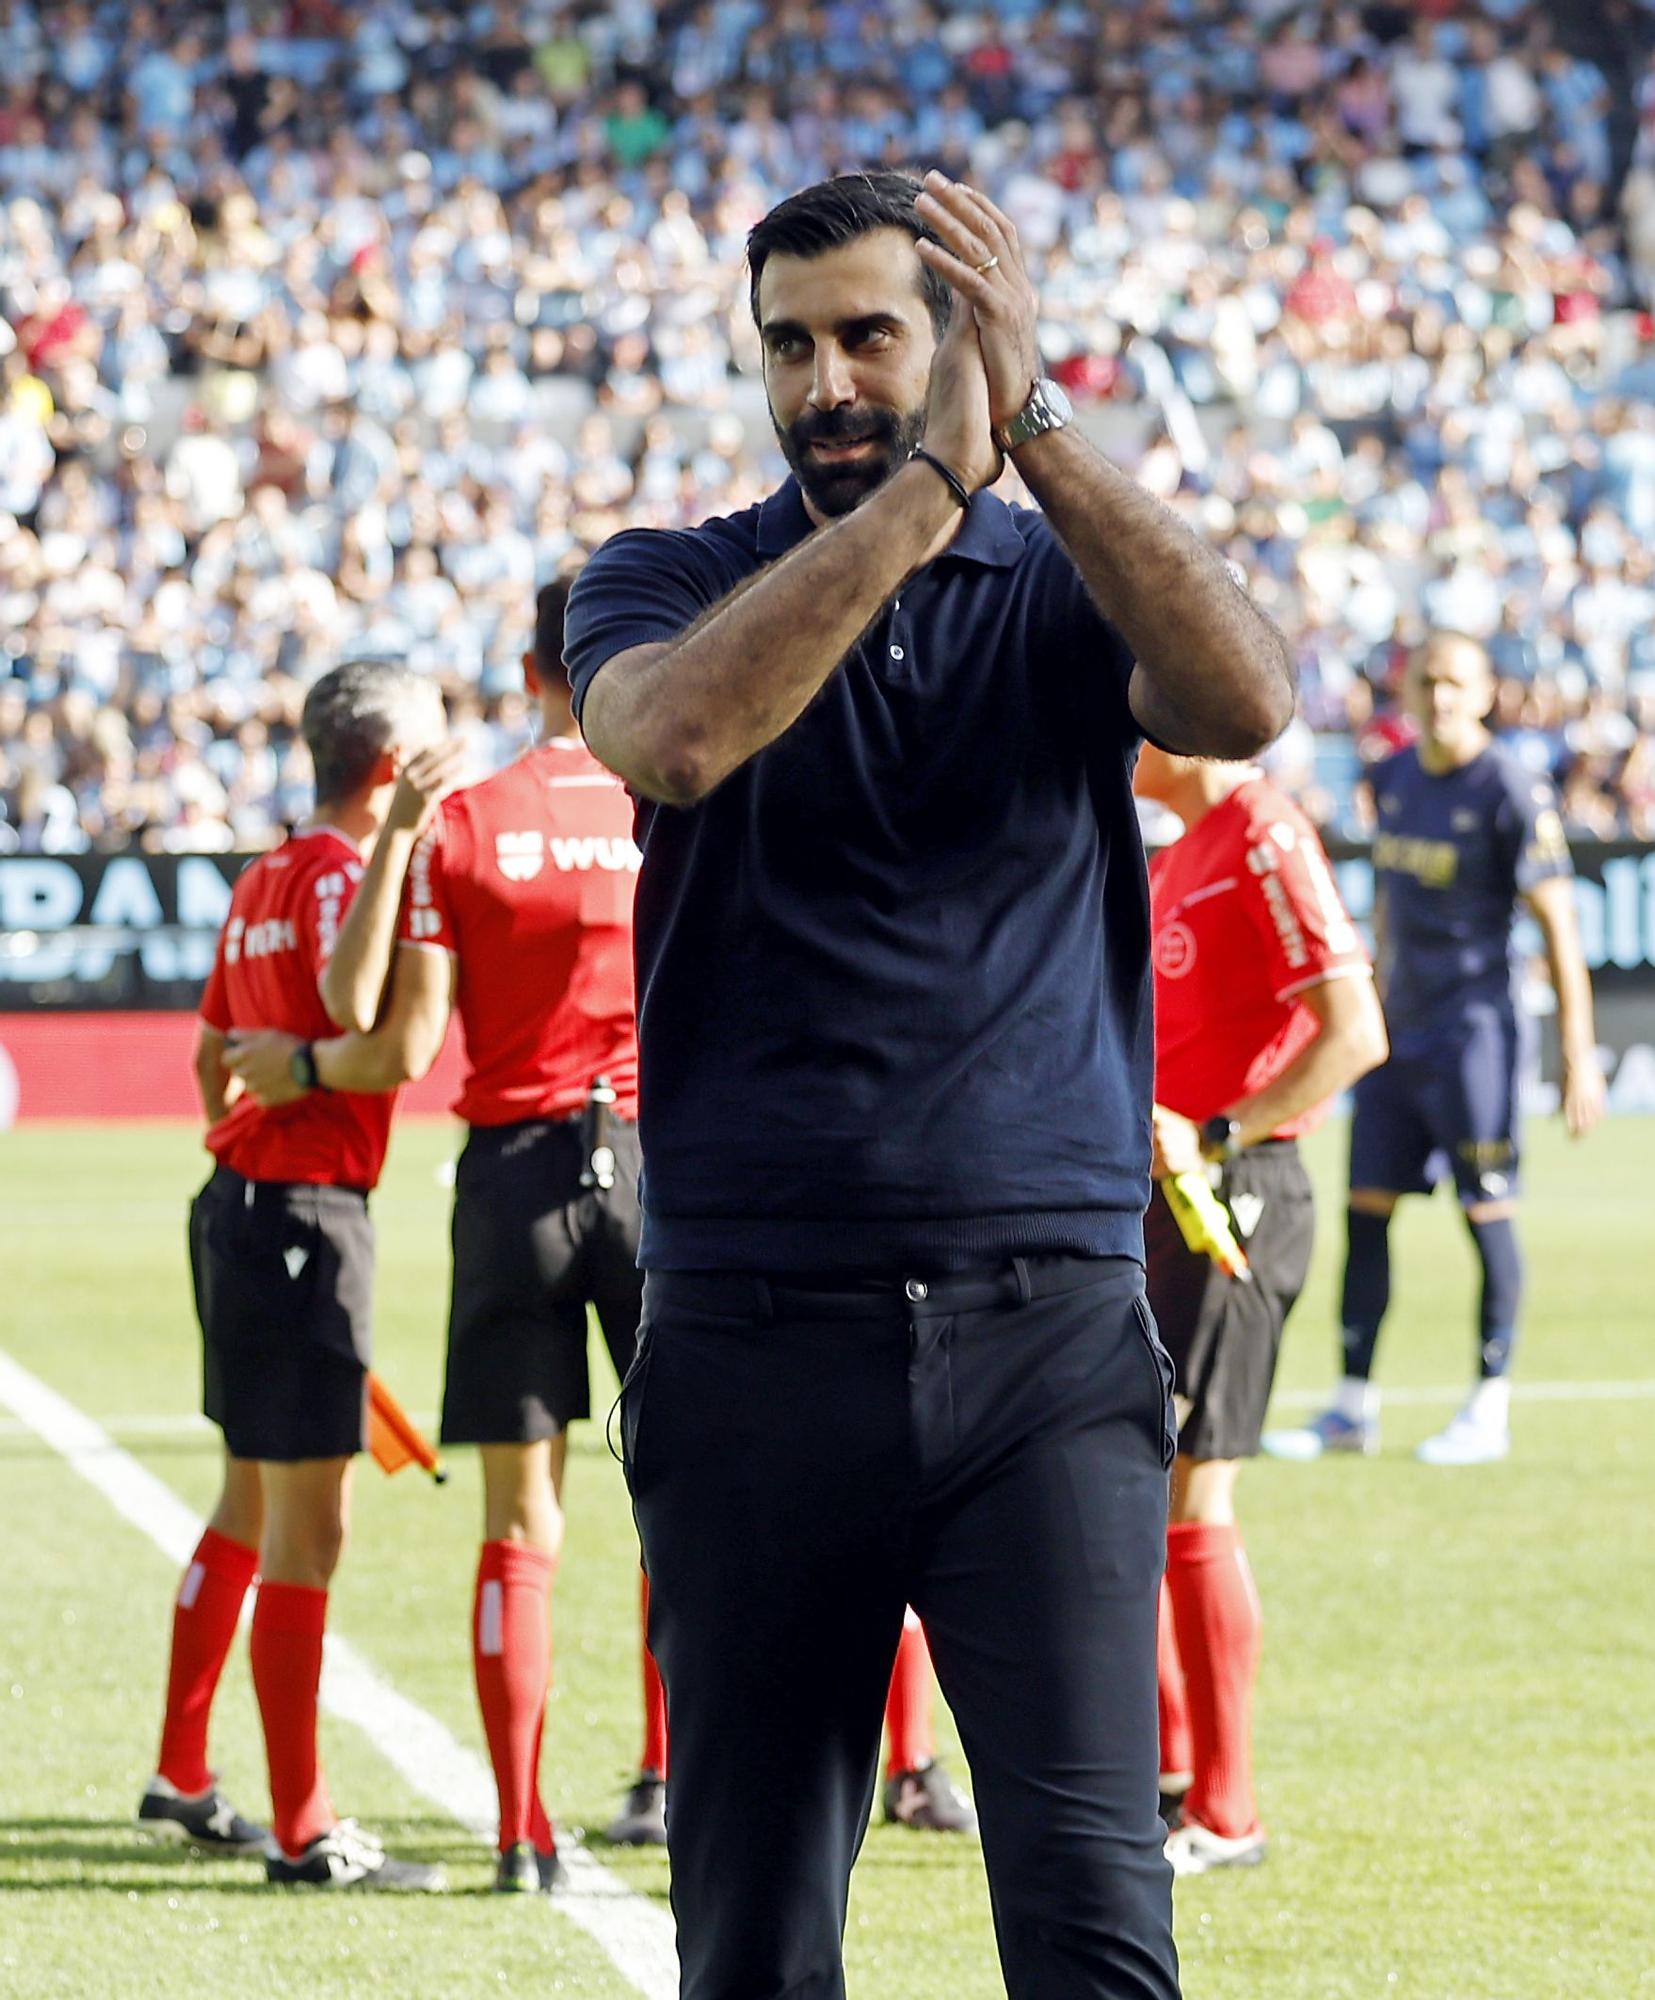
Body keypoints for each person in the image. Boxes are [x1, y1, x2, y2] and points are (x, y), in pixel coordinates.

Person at [563, 167, 1294, 1998]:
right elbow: (678, 739)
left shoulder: (1064, 582)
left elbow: (1244, 702)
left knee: (1095, 1929)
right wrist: (923, 494)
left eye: (870, 337)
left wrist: (1027, 435)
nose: (824, 382)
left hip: (1045, 1330)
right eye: (788, 345)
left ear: (959, 339)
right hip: (750, 1330)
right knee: (753, 1943)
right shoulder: (663, 578)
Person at [224, 578, 656, 1887]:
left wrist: (304, 1064)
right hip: (649, 1169)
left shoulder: (462, 820)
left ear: (527, 674)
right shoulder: (671, 796)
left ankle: (522, 1830)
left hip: (511, 1178)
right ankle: (669, 1779)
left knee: (517, 1522)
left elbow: (396, 1038)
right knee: (682, 1499)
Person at [138, 659, 447, 1891]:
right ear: (392, 766)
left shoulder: (264, 872)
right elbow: (356, 1013)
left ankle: (181, 1769)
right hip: (306, 1217)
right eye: (433, 744)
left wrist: (248, 1130)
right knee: (309, 1534)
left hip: (239, 1205)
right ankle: (306, 1830)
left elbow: (210, 1053)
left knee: (245, 1504)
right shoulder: (338, 877)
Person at [1133, 746, 1387, 1877]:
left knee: (1197, 1487)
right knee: (1143, 1488)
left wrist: (1222, 1132)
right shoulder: (1178, 850)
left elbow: (1354, 1028)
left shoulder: (1264, 830)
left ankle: (1227, 1812)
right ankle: (1169, 1780)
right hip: (1166, 1198)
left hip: (1235, 1198)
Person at [1263, 631, 1605, 1469]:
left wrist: (1577, 1051)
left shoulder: (1509, 789)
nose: (1440, 696)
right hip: (1396, 1034)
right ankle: (1351, 1409)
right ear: (1408, 692)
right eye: (1427, 682)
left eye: (1455, 682)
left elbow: (1559, 926)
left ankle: (1488, 1407)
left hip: (1474, 1034)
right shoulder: (1391, 778)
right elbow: (1386, 904)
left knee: (1485, 1212)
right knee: (1363, 1212)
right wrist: (1370, 1003)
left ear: (1485, 694)